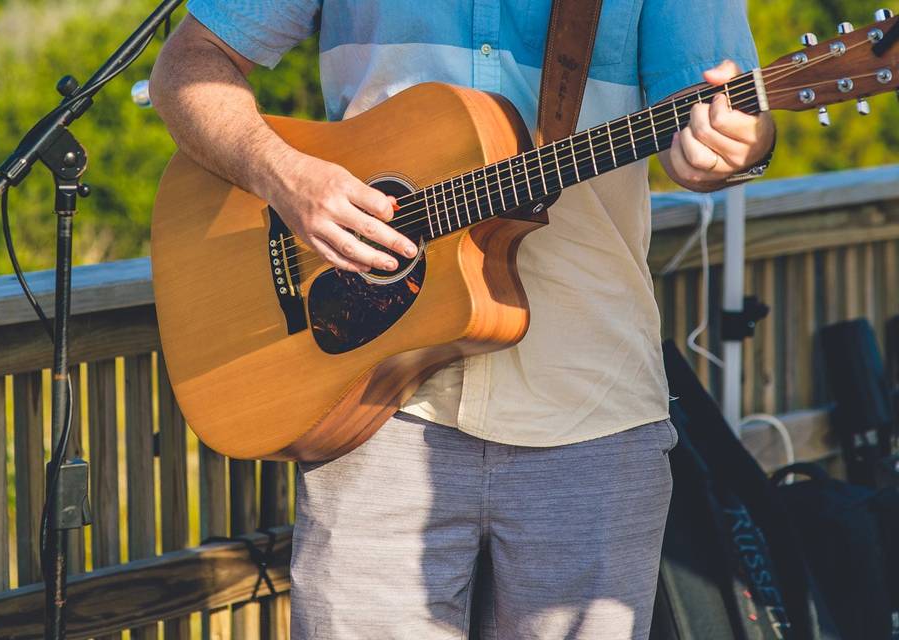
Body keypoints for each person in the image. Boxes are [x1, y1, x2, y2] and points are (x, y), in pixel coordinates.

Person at [150, 2, 775, 638]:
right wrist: (283, 175)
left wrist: (736, 145)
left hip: (589, 403)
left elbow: (718, 120)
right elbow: (188, 65)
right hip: (373, 403)